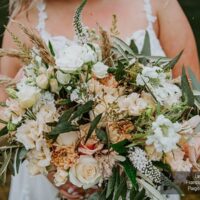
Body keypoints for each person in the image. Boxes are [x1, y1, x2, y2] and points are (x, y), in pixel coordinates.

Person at [0, 0, 199, 199]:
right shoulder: (26, 15)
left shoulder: (159, 4)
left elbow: (192, 94)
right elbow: (4, 113)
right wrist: (54, 169)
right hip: (52, 186)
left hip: (145, 183)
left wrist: (159, 164)